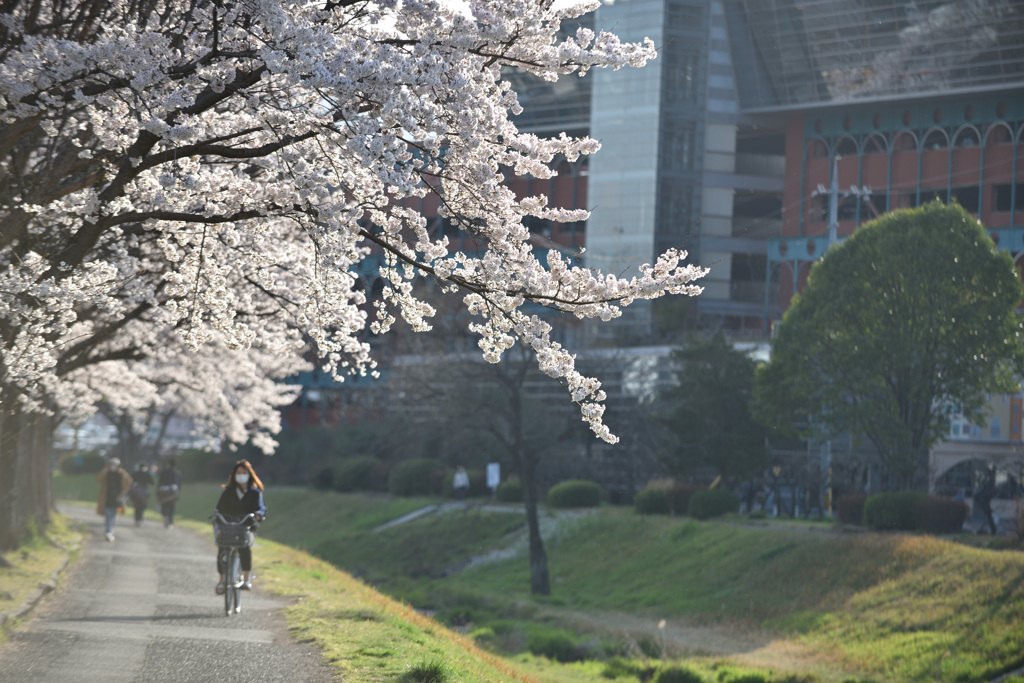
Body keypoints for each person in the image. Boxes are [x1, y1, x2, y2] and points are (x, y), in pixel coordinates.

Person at [214, 460, 267, 594]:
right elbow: (218, 510)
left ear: (249, 475)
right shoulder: (228, 491)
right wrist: (218, 526)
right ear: (234, 474)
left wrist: (258, 515)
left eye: (244, 473)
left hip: (246, 527)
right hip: (227, 526)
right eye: (238, 473)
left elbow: (261, 508)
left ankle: (246, 580)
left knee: (244, 548)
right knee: (222, 551)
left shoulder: (255, 493)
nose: (241, 475)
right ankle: (221, 581)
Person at [95, 457, 132, 542]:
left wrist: (122, 472)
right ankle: (108, 532)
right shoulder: (106, 474)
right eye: (111, 464)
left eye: (115, 465)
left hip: (117, 500)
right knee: (108, 516)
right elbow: (98, 479)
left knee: (114, 516)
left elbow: (129, 481)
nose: (113, 466)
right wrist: (104, 471)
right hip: (107, 498)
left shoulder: (121, 474)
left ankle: (110, 532)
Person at [157, 456, 183, 528]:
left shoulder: (164, 472)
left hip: (164, 490)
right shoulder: (178, 473)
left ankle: (165, 516)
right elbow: (179, 484)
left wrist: (158, 491)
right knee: (172, 507)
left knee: (163, 505)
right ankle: (170, 522)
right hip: (173, 491)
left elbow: (160, 482)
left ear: (168, 464)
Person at [129, 461, 154, 526]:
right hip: (144, 492)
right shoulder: (147, 473)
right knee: (142, 506)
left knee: (136, 505)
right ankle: (140, 519)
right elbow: (152, 483)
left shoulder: (135, 473)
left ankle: (137, 518)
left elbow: (130, 481)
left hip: (135, 492)